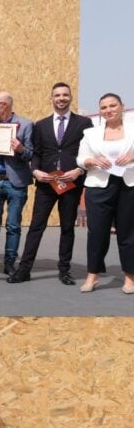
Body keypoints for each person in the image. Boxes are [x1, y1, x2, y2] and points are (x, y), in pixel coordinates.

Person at [9, 83, 93, 285]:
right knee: (36, 227)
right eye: (57, 95)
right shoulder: (41, 125)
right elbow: (36, 153)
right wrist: (35, 171)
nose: (61, 98)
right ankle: (24, 270)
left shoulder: (84, 123)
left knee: (67, 228)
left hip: (71, 183)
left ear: (70, 97)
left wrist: (79, 170)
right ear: (51, 98)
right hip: (46, 184)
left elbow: (90, 152)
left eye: (65, 95)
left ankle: (64, 270)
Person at [76, 93, 134, 294]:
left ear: (122, 106)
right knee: (97, 233)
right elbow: (80, 159)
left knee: (128, 233)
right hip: (98, 186)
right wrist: (91, 161)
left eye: (113, 105)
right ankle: (92, 275)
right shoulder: (90, 133)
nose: (108, 110)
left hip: (129, 185)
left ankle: (130, 277)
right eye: (104, 107)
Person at [0, 91, 34, 277]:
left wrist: (21, 149)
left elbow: (32, 153)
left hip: (16, 182)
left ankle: (10, 262)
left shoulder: (26, 125)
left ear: (4, 105)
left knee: (13, 225)